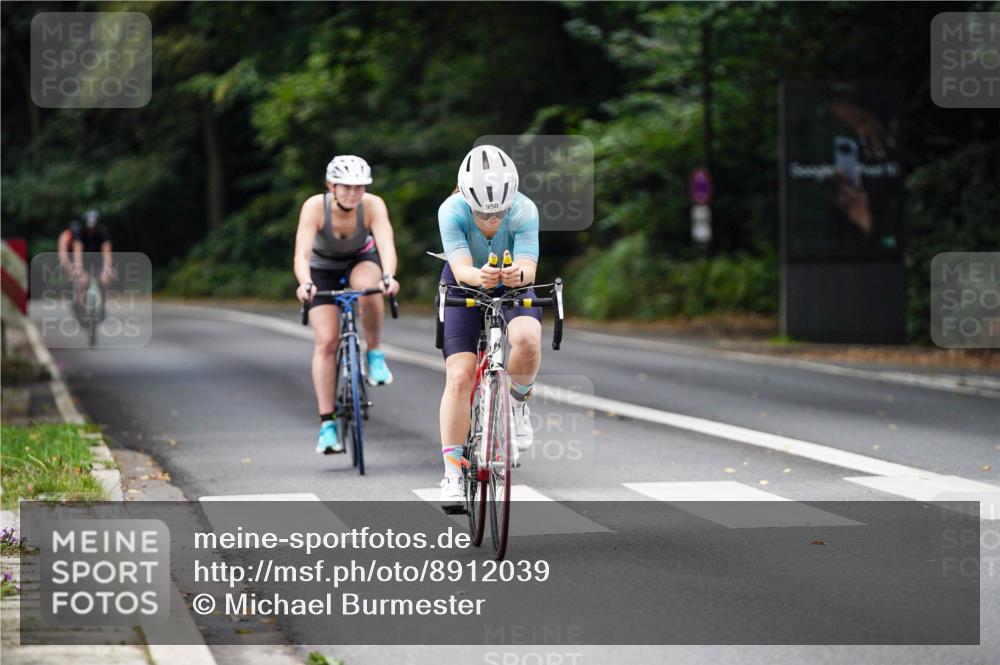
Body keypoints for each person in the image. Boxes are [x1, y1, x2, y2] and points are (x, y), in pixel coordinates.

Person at [436, 145, 541, 513]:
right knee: (459, 375)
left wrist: (518, 274)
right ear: (467, 199)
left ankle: (518, 404)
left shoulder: (525, 209)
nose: (492, 219)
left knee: (527, 339)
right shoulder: (451, 210)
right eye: (482, 213)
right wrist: (478, 276)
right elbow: (461, 267)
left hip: (511, 283)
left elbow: (529, 267)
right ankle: (452, 473)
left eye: (499, 212)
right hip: (464, 283)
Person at [293, 155, 400, 455]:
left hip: (360, 260)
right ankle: (327, 424)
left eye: (359, 187)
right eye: (346, 187)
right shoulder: (315, 207)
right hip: (321, 269)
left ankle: (374, 353)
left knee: (369, 288)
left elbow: (386, 245)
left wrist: (389, 276)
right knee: (326, 342)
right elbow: (302, 254)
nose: (353, 193)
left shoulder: (373, 205)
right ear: (331, 186)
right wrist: (305, 283)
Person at [71, 209, 115, 315]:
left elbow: (107, 250)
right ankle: (82, 309)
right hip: (84, 262)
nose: (91, 229)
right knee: (83, 282)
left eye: (94, 226)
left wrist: (107, 267)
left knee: (104, 281)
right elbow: (77, 250)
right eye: (89, 226)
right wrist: (78, 267)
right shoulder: (80, 232)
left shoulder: (103, 232)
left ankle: (102, 307)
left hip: (99, 262)